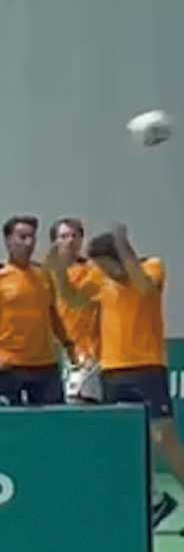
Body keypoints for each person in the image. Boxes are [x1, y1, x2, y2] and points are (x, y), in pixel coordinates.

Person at [50, 223, 183, 529]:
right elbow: (75, 299)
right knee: (125, 444)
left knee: (164, 440)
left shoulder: (152, 267)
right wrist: (58, 271)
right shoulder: (99, 277)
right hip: (113, 369)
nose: (104, 273)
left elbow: (143, 286)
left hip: (148, 367)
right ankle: (148, 506)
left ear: (119, 258)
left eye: (107, 266)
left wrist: (123, 245)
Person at [0, 215, 70, 406]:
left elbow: (52, 313)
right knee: (10, 426)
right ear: (8, 240)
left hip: (44, 365)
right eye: (22, 237)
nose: (28, 243)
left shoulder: (43, 274)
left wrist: (69, 345)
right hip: (9, 366)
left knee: (53, 425)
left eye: (32, 238)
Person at [48, 217, 102, 404]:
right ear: (55, 242)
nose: (70, 240)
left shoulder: (94, 271)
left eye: (74, 236)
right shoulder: (43, 275)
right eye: (63, 236)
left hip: (85, 355)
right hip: (50, 356)